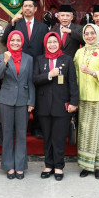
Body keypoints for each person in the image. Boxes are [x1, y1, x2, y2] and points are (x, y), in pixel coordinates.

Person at [33, 32, 79, 181]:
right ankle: (48, 165)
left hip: (62, 105)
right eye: (49, 42)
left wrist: (74, 102)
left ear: (59, 43)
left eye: (55, 42)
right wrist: (49, 75)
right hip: (44, 106)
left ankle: (59, 166)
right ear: (45, 44)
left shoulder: (66, 59)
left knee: (59, 138)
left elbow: (72, 82)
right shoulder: (39, 60)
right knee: (47, 137)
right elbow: (35, 79)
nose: (52, 45)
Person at [2, 0, 48, 138]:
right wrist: (12, 23)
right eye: (25, 6)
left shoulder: (43, 27)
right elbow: (5, 40)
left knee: (37, 97)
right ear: (22, 8)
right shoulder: (17, 24)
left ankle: (36, 128)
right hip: (18, 66)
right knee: (20, 95)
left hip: (36, 65)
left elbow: (45, 47)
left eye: (30, 6)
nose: (28, 9)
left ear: (35, 9)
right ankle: (17, 128)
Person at [0, 30, 35, 180]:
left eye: (18, 40)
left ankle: (20, 166)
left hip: (23, 101)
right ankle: (9, 166)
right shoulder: (1, 57)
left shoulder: (29, 59)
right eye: (12, 40)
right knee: (7, 134)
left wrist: (31, 101)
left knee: (21, 135)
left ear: (22, 42)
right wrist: (5, 61)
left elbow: (31, 81)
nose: (15, 43)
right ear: (8, 42)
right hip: (5, 100)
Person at [74, 24, 99, 179]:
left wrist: (92, 72)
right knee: (85, 132)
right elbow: (75, 74)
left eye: (92, 33)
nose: (89, 36)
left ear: (97, 34)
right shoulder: (79, 52)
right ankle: (86, 165)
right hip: (83, 97)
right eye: (86, 33)